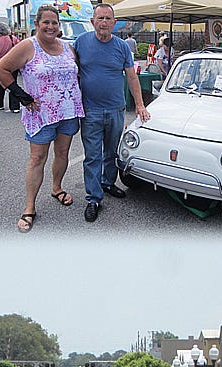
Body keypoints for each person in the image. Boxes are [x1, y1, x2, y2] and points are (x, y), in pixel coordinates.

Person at [0, 5, 84, 233]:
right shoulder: (28, 46)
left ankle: (56, 188)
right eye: (45, 22)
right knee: (37, 159)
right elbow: (3, 69)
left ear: (59, 26)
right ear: (37, 24)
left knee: (63, 153)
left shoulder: (67, 47)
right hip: (40, 114)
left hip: (68, 112)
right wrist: (23, 97)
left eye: (54, 23)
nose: (50, 26)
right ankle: (29, 208)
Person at [74, 3, 150, 223]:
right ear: (92, 22)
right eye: (100, 18)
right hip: (90, 110)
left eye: (108, 19)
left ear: (114, 23)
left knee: (112, 152)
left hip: (116, 109)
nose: (104, 22)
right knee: (92, 156)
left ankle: (107, 183)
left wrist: (139, 105)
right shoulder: (81, 43)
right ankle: (94, 198)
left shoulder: (122, 47)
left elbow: (132, 76)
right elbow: (68, 71)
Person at [0, 23, 20, 113]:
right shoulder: (12, 39)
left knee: (0, 85)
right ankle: (15, 107)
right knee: (12, 84)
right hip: (12, 64)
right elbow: (19, 50)